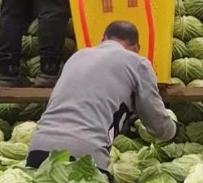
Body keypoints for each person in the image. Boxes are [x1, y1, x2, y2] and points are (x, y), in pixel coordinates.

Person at [26, 21, 182, 175]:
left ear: (103, 39)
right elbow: (155, 122)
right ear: (136, 48)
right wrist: (173, 131)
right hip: (84, 155)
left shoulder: (77, 57)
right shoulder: (138, 63)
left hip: (38, 148)